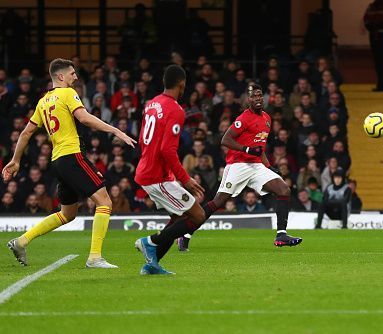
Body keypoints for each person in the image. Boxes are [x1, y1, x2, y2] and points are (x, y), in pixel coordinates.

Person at [3, 58, 136, 268]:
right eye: (72, 73)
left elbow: (27, 132)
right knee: (105, 202)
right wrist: (116, 130)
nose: (76, 76)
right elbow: (84, 118)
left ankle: (21, 241)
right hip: (71, 155)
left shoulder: (43, 101)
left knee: (68, 214)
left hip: (57, 160)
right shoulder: (67, 93)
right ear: (61, 76)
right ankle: (94, 257)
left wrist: (15, 160)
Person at [181, 84, 302, 250]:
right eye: (254, 96)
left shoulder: (267, 118)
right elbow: (225, 139)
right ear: (248, 100)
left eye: (260, 95)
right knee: (218, 202)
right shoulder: (244, 118)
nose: (257, 98)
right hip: (238, 165)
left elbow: (260, 147)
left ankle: (281, 235)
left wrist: (268, 166)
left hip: (256, 165)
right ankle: (186, 234)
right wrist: (247, 149)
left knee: (284, 190)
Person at [133, 65, 207, 275]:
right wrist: (185, 179)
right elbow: (167, 149)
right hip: (156, 176)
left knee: (177, 218)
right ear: (182, 84)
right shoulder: (175, 109)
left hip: (148, 170)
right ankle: (151, 242)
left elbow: (142, 139)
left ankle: (152, 264)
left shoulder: (151, 103)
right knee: (198, 215)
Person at [363, 0, 383, 92]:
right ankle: (380, 85)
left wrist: (376, 23)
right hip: (374, 37)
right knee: (377, 62)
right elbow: (366, 19)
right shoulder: (371, 6)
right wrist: (374, 24)